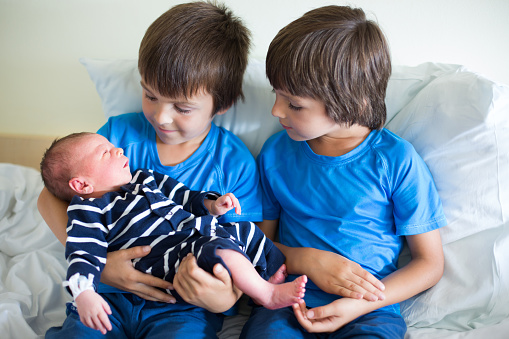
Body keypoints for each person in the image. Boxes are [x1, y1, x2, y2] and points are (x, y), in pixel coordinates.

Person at [240, 5, 447, 338]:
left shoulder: (396, 161)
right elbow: (259, 243)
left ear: (353, 102)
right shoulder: (276, 154)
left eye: (294, 104)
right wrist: (304, 260)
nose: (276, 110)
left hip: (369, 309)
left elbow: (429, 264)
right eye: (276, 94)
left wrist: (362, 303)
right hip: (287, 304)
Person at [40, 132, 307, 335]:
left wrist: (212, 205)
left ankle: (265, 281)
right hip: (113, 298)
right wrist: (83, 292)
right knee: (81, 331)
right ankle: (264, 290)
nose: (118, 149)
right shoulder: (88, 209)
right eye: (105, 153)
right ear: (82, 184)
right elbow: (82, 252)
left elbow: (185, 196)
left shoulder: (146, 178)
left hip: (180, 283)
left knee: (239, 235)